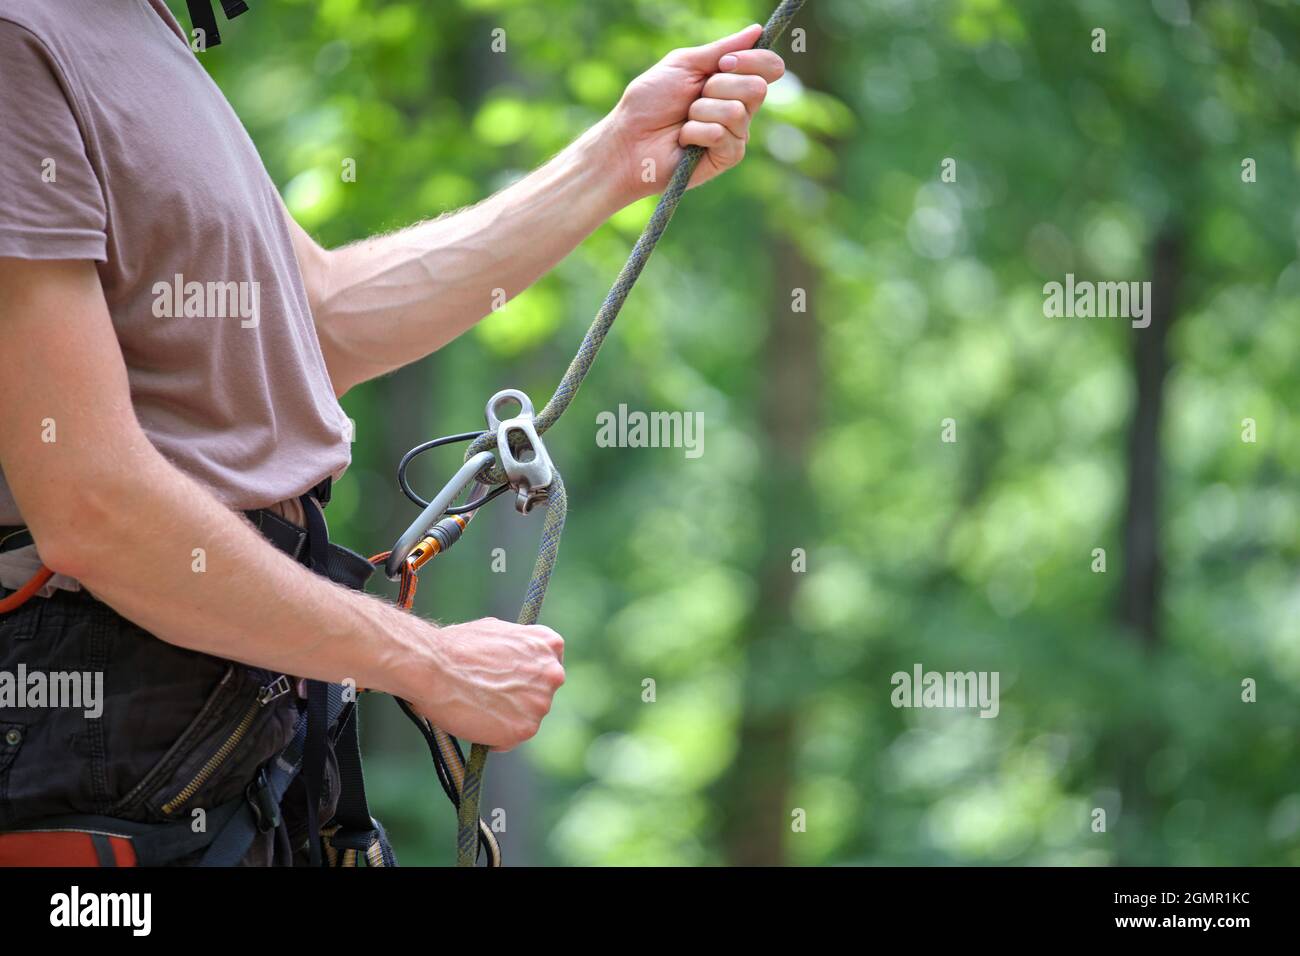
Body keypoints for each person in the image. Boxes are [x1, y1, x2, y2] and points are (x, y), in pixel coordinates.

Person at [0, 0, 785, 864]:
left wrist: (612, 161)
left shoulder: (137, 31)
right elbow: (88, 504)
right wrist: (431, 664)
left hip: (219, 713)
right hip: (101, 716)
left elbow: (318, 319)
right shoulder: (22, 41)